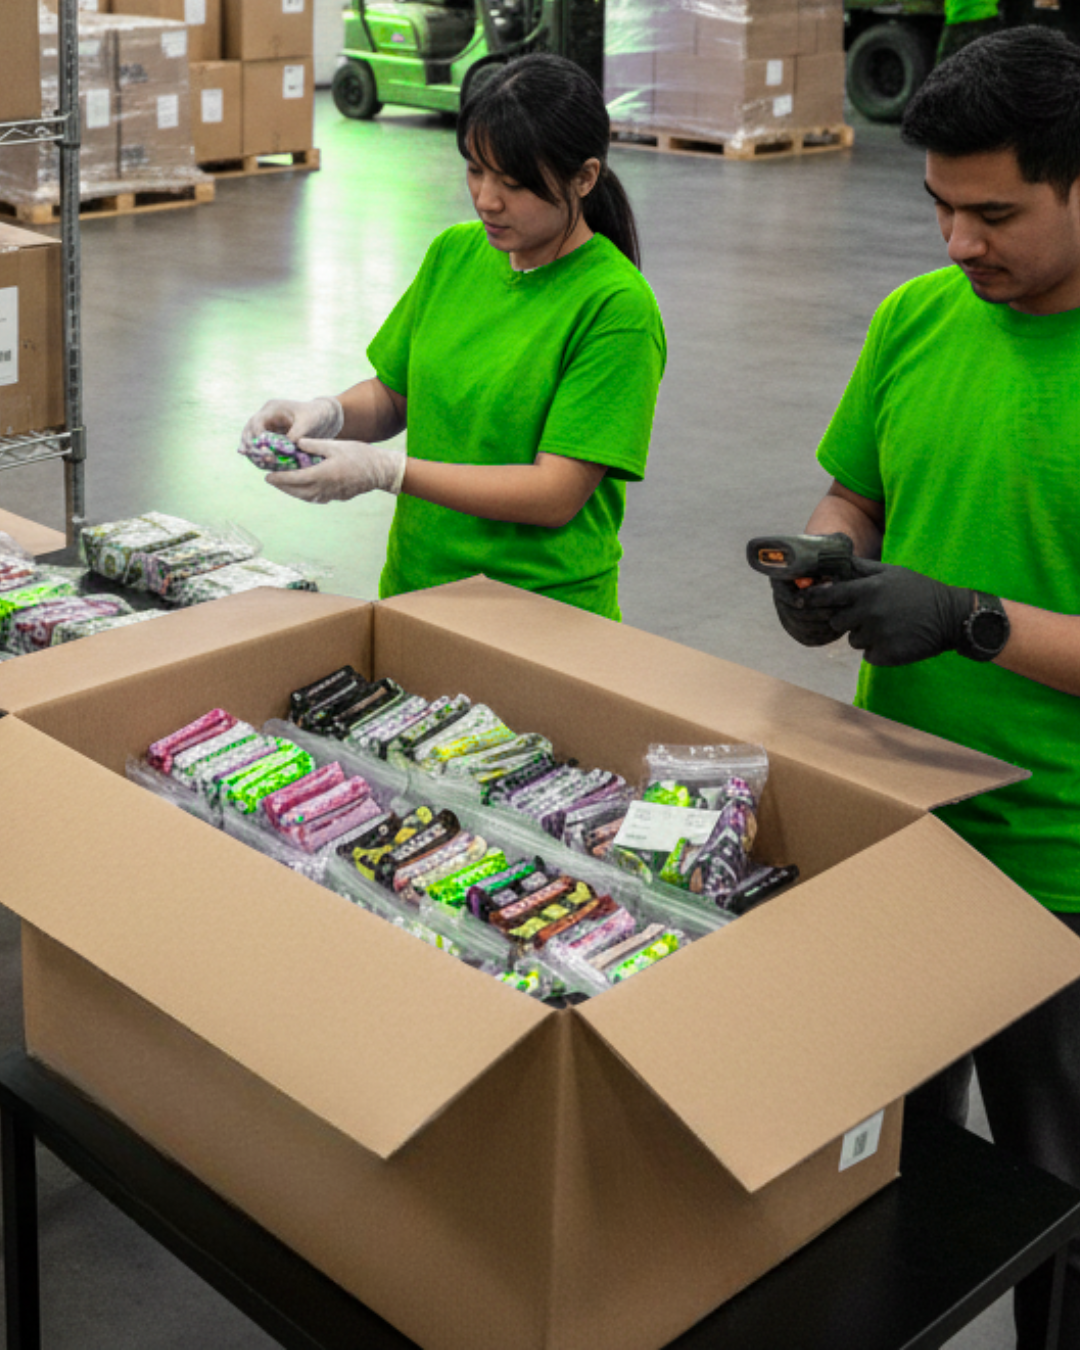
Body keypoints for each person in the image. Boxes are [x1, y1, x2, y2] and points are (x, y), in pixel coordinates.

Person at [760, 27, 1080, 1349]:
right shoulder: (914, 316)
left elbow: (977, 615)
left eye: (995, 212)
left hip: (1061, 865)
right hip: (902, 830)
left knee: (1056, 1191)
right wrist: (831, 563)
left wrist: (972, 620)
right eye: (940, 207)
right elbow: (859, 490)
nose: (959, 243)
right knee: (896, 1172)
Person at [239, 53, 666, 622]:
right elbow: (396, 395)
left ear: (584, 178)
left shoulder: (615, 306)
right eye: (475, 169)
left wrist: (388, 472)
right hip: (417, 589)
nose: (486, 198)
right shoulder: (456, 253)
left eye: (514, 183)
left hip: (538, 613)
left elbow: (555, 493)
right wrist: (326, 414)